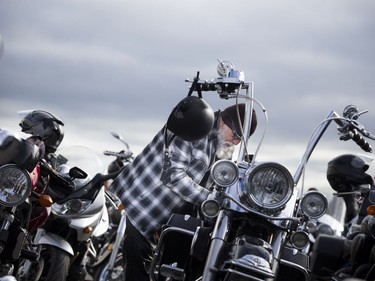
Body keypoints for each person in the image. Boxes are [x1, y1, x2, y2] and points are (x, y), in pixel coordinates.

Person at [109, 101, 257, 281]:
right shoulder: (195, 124)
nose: (236, 142)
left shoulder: (220, 143)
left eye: (240, 139)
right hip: (142, 205)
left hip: (167, 216)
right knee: (138, 271)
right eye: (235, 135)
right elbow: (173, 176)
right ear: (224, 122)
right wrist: (211, 199)